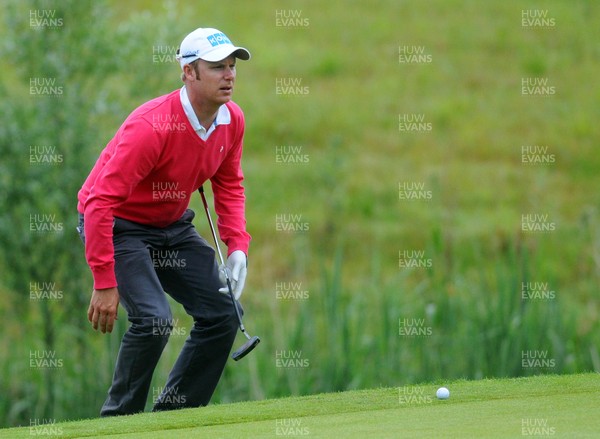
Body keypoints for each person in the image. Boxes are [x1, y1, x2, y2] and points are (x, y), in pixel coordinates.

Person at [76, 27, 252, 416]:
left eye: (232, 66)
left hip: (171, 226)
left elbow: (229, 184)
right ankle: (118, 422)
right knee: (155, 321)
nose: (229, 75)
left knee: (224, 314)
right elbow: (99, 203)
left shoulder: (232, 120)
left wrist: (237, 245)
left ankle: (173, 419)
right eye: (216, 67)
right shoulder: (151, 125)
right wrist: (104, 281)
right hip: (120, 226)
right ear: (188, 72)